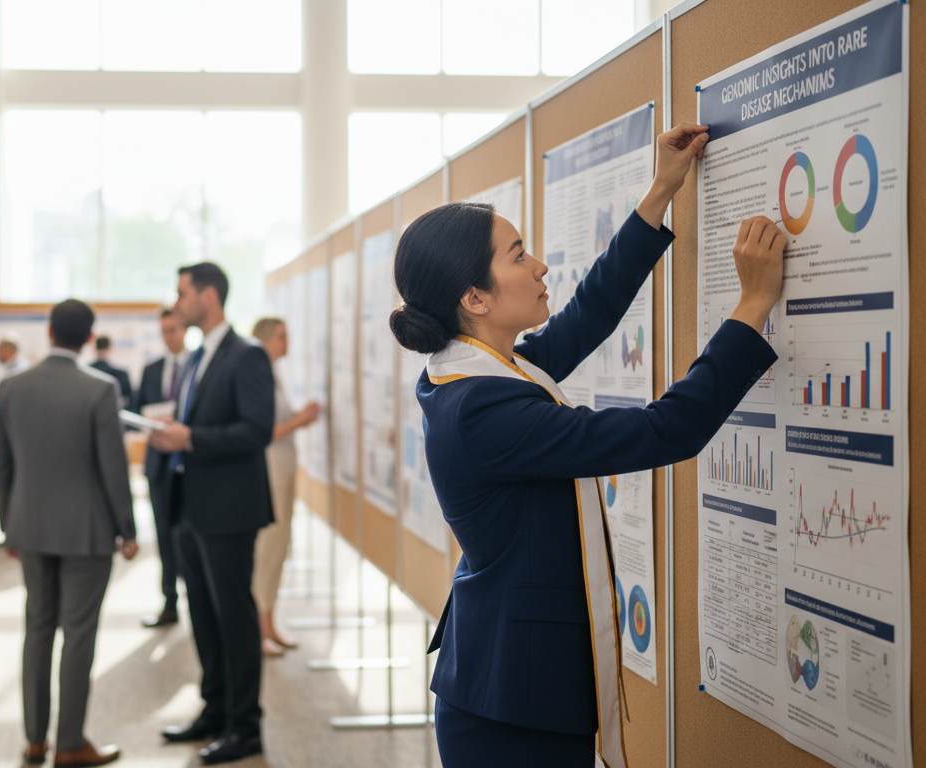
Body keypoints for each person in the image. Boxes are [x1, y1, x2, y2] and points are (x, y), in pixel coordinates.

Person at [392, 124, 783, 768]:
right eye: (518, 256)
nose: (540, 265)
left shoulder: (479, 371)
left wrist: (661, 190)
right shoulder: (481, 409)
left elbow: (589, 314)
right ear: (474, 298)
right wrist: (753, 305)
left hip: (507, 678)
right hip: (513, 705)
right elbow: (667, 430)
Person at [0, 299, 138, 768]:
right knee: (78, 635)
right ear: (89, 338)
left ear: (49, 331)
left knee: (37, 628)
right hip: (86, 531)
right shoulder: (100, 388)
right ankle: (70, 744)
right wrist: (127, 529)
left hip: (30, 527)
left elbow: (1, 461)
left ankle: (35, 740)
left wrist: (8, 524)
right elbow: (113, 467)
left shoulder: (12, 387)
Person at [151, 263, 274, 765]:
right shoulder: (199, 355)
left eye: (182, 293)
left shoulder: (246, 355)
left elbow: (256, 430)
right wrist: (174, 432)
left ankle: (245, 727)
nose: (177, 302)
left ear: (208, 295)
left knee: (234, 619)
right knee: (201, 614)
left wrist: (191, 438)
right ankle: (214, 708)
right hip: (189, 506)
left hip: (228, 510)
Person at [249, 317, 319, 656]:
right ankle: (259, 627)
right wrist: (300, 421)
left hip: (282, 468)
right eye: (281, 337)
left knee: (279, 546)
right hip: (271, 469)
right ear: (264, 340)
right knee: (268, 547)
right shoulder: (259, 375)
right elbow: (263, 431)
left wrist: (298, 417)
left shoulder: (273, 374)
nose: (286, 342)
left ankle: (268, 622)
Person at [131, 309, 190, 628]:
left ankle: (197, 600)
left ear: (185, 330)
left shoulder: (197, 364)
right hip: (158, 464)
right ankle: (169, 601)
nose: (169, 336)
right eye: (164, 331)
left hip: (190, 464)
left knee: (190, 535)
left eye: (174, 330)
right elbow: (139, 408)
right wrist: (151, 422)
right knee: (164, 534)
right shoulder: (152, 369)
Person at [90, 336, 132, 408]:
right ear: (110, 349)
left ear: (95, 349)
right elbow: (128, 401)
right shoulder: (121, 374)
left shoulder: (85, 373)